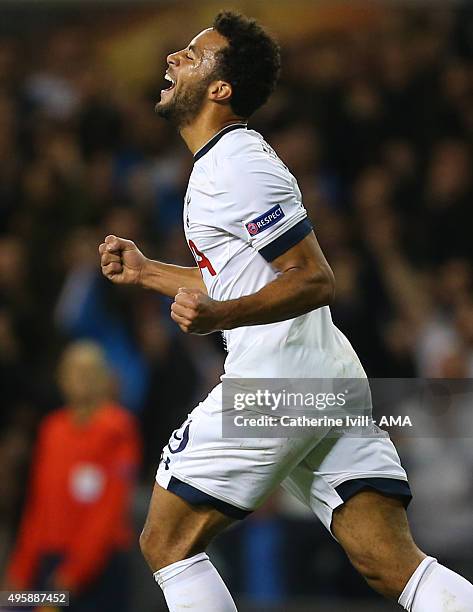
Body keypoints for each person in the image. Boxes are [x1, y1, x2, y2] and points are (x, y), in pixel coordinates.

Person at [98, 11, 473, 611]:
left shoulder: (238, 165)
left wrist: (219, 319)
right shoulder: (222, 164)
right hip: (325, 378)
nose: (173, 59)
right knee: (392, 565)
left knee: (165, 542)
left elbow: (314, 277)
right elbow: (243, 276)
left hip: (277, 382)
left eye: (192, 56)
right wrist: (149, 273)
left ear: (221, 89)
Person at [6, 341, 141, 612]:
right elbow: (39, 504)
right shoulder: (52, 429)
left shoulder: (118, 429)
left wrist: (75, 573)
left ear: (104, 378)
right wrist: (20, 570)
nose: (80, 379)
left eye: (89, 371)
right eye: (72, 371)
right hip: (49, 562)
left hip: (101, 567)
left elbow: (108, 511)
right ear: (60, 378)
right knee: (10, 603)